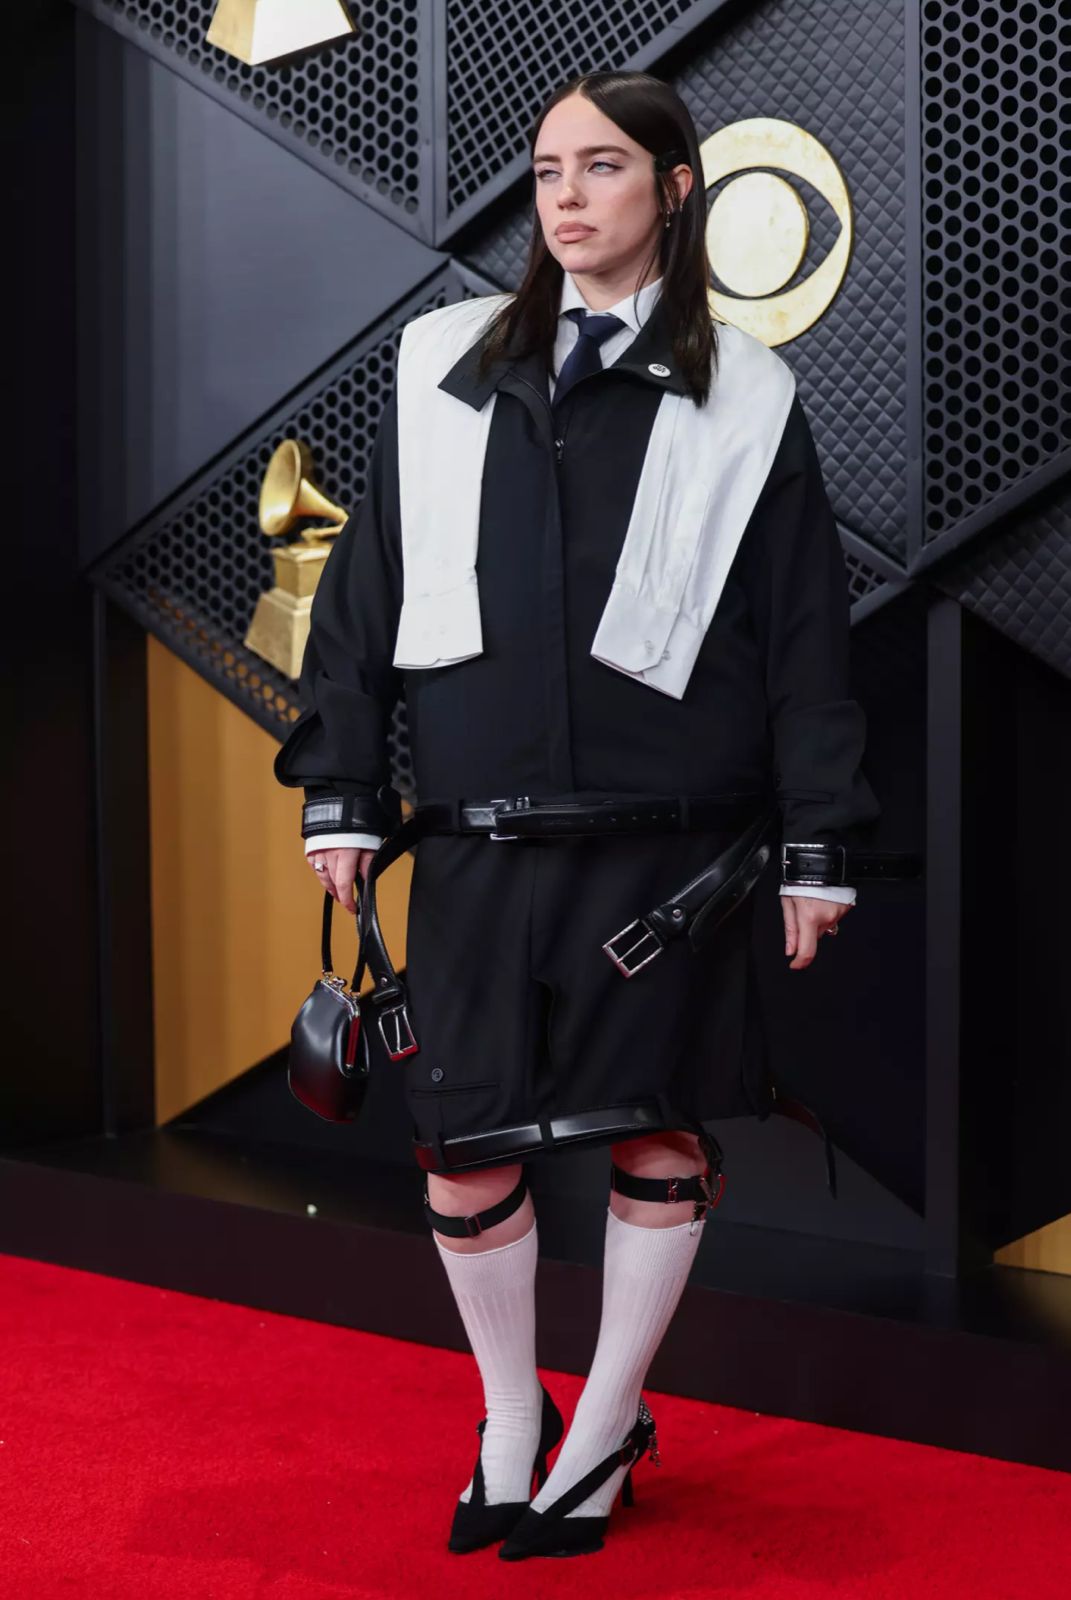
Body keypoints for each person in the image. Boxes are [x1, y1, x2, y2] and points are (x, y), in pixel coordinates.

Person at [274, 69, 880, 1560]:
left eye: (601, 166)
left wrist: (819, 841)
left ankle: (605, 1423)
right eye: (548, 169)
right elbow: (360, 598)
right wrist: (343, 788)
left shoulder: (748, 394)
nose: (565, 196)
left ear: (675, 188)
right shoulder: (443, 366)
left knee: (652, 1134)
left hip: (671, 850)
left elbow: (806, 636)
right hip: (475, 835)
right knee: (464, 1148)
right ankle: (509, 1416)